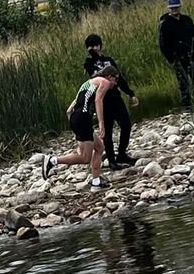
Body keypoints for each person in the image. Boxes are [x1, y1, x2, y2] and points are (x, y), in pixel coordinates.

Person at [41, 65, 118, 190]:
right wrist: (101, 123)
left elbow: (69, 110)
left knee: (99, 148)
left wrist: (76, 125)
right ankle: (52, 161)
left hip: (77, 118)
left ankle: (96, 183)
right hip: (83, 119)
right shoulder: (104, 82)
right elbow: (99, 100)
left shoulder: (87, 84)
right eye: (115, 79)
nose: (115, 83)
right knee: (85, 157)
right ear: (109, 76)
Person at [83, 33, 139, 169]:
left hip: (116, 97)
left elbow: (119, 78)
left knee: (126, 125)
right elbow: (95, 75)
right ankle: (111, 160)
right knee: (107, 131)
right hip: (103, 99)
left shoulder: (109, 60)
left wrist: (130, 93)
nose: (95, 48)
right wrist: (94, 55)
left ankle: (121, 153)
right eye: (92, 46)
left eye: (97, 45)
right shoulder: (89, 63)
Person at [157, 0, 194, 107]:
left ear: (180, 7)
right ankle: (187, 104)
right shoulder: (165, 24)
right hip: (177, 58)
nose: (174, 10)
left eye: (176, 8)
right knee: (183, 83)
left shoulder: (187, 20)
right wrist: (172, 59)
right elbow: (163, 44)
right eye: (172, 8)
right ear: (169, 9)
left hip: (191, 54)